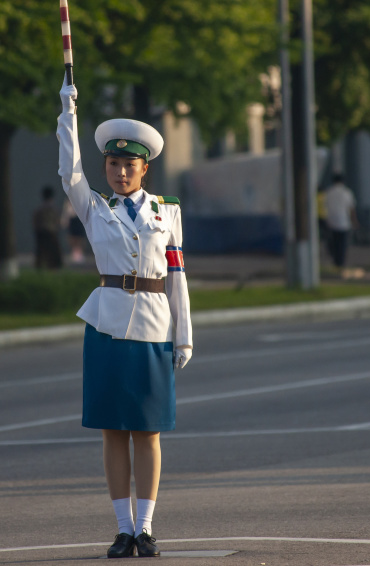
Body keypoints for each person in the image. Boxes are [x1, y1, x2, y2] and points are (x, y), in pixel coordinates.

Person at [57, 76, 192, 558]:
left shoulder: (166, 212)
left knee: (148, 430)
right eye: (112, 164)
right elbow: (69, 172)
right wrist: (67, 115)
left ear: (144, 168)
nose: (118, 172)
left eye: (127, 164)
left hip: (156, 324)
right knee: (114, 428)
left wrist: (184, 336)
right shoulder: (95, 209)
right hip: (108, 325)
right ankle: (121, 529)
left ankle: (147, 527)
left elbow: (177, 276)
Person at [324, 173, 358, 268]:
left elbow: (325, 207)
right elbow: (351, 208)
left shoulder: (328, 192)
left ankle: (335, 261)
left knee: (334, 243)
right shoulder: (346, 192)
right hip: (344, 222)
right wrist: (354, 221)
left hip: (331, 221)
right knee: (342, 244)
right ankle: (341, 262)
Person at [33, 186, 63, 269]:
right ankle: (53, 267)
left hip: (41, 232)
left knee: (41, 252)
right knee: (53, 252)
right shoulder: (53, 209)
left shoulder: (40, 209)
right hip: (51, 232)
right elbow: (57, 221)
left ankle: (40, 267)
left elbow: (35, 221)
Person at [61, 199, 87, 263]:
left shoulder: (81, 200)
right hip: (72, 220)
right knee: (72, 237)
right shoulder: (68, 202)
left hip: (79, 219)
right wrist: (64, 221)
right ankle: (74, 252)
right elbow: (66, 212)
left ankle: (79, 252)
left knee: (80, 237)